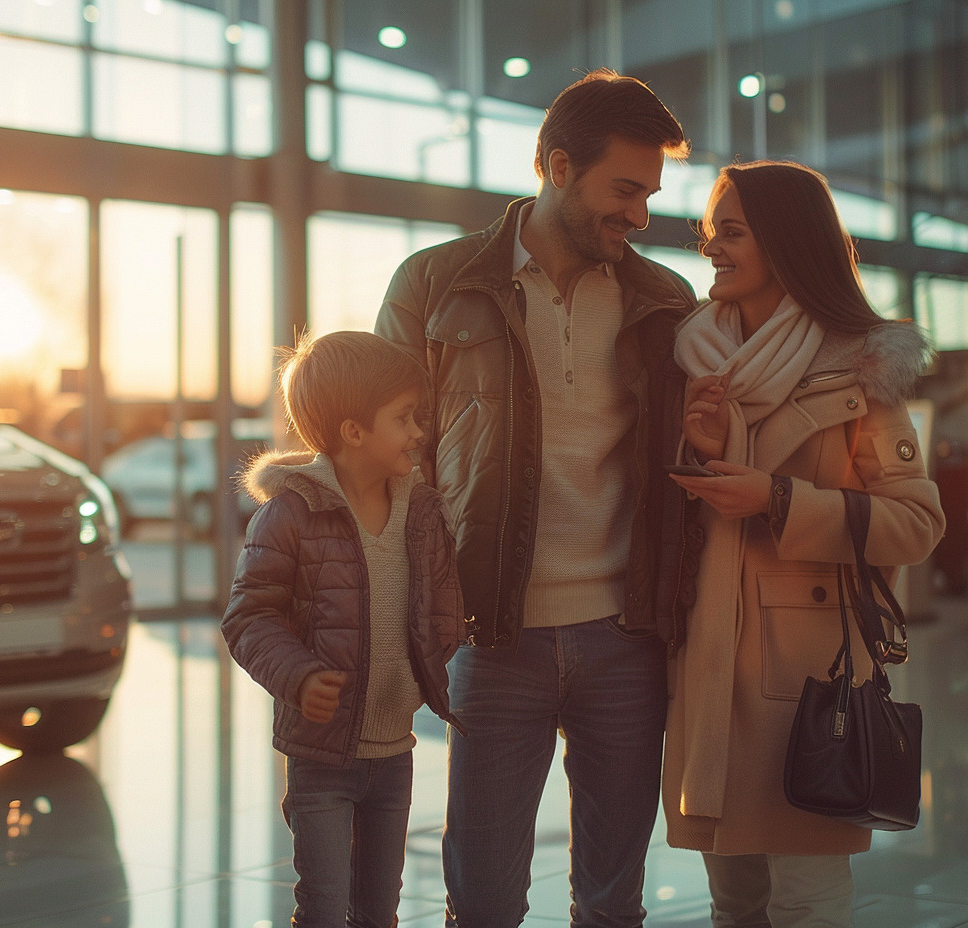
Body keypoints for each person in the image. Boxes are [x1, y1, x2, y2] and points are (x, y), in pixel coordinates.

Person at [374, 68, 699, 927]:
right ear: (558, 167)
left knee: (612, 901)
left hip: (628, 637)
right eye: (624, 189)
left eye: (649, 194)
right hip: (491, 635)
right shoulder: (434, 286)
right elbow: (382, 464)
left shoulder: (666, 302)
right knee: (481, 903)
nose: (639, 214)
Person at [660, 159, 946, 928]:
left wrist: (780, 499)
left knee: (808, 906)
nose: (710, 247)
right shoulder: (695, 356)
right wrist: (703, 445)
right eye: (709, 230)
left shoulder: (859, 366)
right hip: (708, 670)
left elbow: (917, 523)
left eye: (732, 231)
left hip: (810, 681)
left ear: (786, 243)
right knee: (734, 905)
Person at [220, 330, 466, 928]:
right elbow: (249, 618)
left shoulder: (422, 512)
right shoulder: (289, 516)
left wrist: (434, 656)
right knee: (326, 910)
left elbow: (441, 608)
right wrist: (300, 677)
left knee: (379, 911)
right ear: (354, 432)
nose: (418, 432)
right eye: (404, 418)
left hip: (395, 752)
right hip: (321, 757)